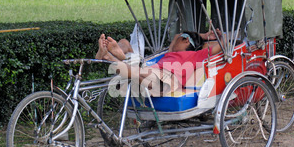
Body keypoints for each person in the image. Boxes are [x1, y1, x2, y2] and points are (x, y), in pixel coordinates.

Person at [95, 30, 224, 97]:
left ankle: (111, 58)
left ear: (186, 41)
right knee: (125, 43)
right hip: (151, 72)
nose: (175, 40)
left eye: (181, 39)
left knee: (136, 72)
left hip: (166, 80)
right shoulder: (169, 53)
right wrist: (203, 34)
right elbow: (177, 36)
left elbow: (222, 45)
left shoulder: (195, 55)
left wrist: (208, 37)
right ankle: (118, 56)